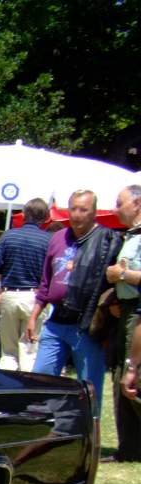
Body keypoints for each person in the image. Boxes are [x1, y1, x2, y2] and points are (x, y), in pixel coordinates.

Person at [31, 190, 121, 417]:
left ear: (94, 212)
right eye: (73, 208)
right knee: (41, 377)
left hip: (87, 324)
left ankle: (90, 436)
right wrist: (34, 316)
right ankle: (43, 428)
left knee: (89, 388)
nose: (77, 214)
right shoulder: (57, 238)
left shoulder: (107, 240)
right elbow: (45, 282)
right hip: (55, 321)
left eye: (84, 209)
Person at [0, 198, 52, 371]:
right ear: (45, 218)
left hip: (9, 294)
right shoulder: (48, 241)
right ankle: (28, 391)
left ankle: (8, 389)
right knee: (29, 350)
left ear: (24, 215)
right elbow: (50, 274)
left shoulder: (8, 236)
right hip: (34, 297)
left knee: (8, 352)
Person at [104, 184, 141, 459]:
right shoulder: (128, 236)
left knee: (133, 376)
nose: (116, 209)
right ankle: (129, 447)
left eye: (120, 203)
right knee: (121, 375)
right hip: (126, 310)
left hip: (137, 313)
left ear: (137, 204)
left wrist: (121, 275)